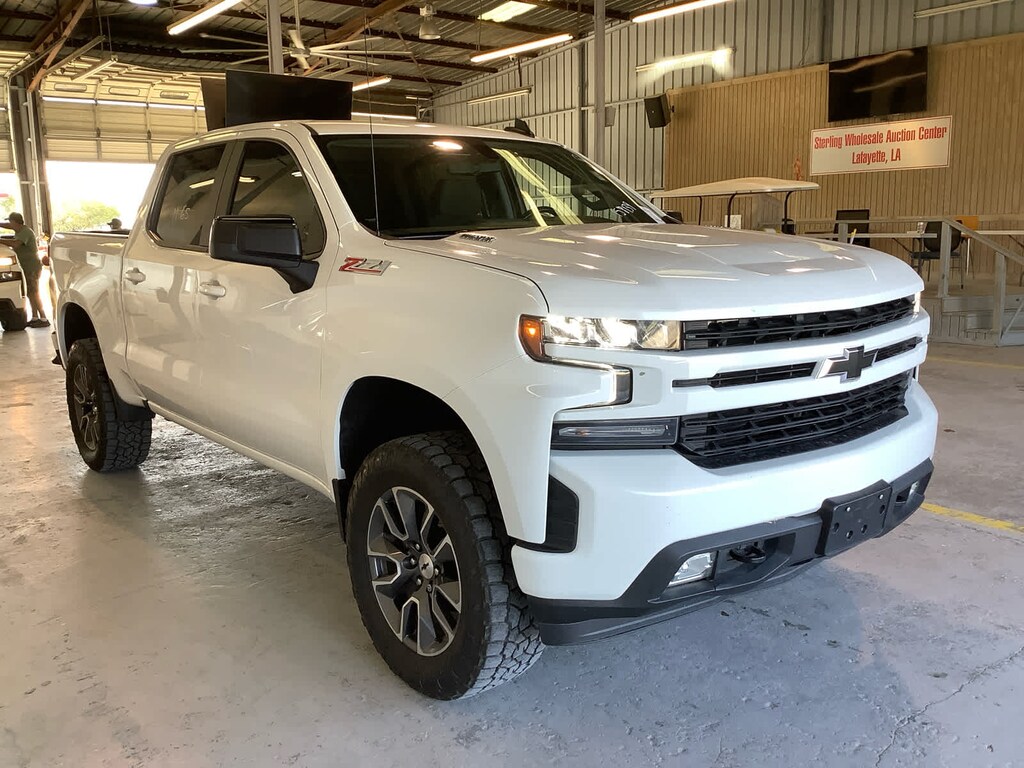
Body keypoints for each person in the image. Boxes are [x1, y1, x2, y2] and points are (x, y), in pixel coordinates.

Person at [0, 212, 48, 328]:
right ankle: (35, 317)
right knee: (30, 293)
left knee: (35, 292)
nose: (9, 225)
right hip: (26, 267)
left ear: (15, 222)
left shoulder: (25, 232)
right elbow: (6, 225)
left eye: (10, 222)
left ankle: (44, 318)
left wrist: (0, 240)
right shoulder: (19, 230)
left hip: (32, 267)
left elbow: (15, 244)